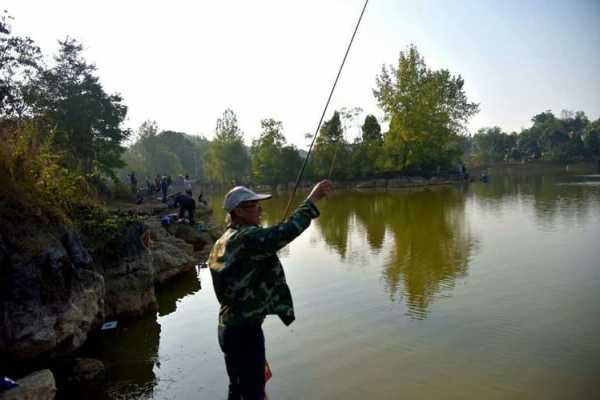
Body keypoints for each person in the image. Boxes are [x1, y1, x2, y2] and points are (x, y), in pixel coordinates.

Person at [208, 180, 333, 400]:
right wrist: (312, 199)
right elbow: (285, 232)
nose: (259, 208)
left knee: (240, 389)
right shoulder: (247, 239)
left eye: (258, 204)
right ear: (237, 211)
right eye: (253, 205)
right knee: (253, 392)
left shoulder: (224, 240)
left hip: (229, 327)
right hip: (244, 333)